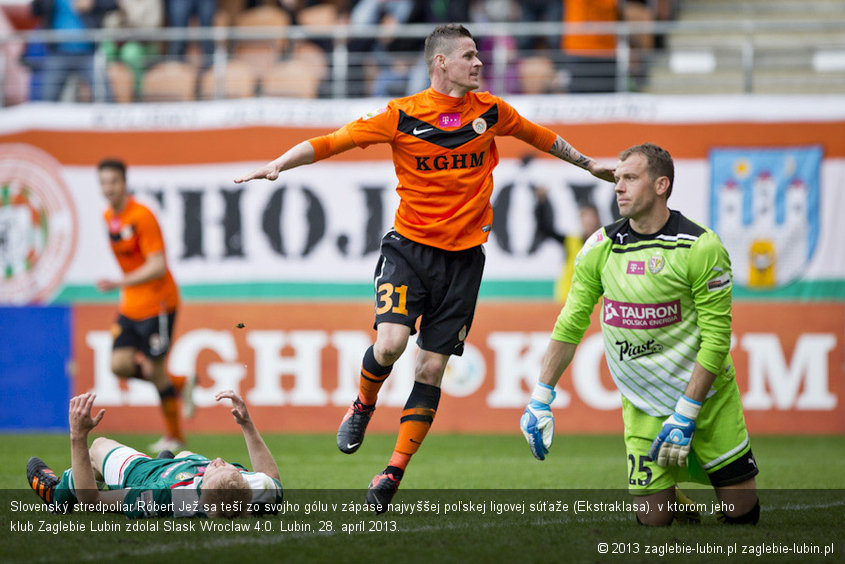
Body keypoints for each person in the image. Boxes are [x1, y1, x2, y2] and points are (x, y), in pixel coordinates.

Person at [235, 23, 615, 513]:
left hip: (464, 262)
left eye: (478, 56)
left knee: (431, 366)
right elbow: (332, 142)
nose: (479, 64)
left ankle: (392, 472)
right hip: (409, 251)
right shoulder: (401, 116)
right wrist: (278, 165)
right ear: (441, 63)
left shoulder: (492, 112)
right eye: (470, 56)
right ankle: (362, 406)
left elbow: (543, 139)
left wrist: (589, 165)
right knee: (390, 344)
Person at [520, 143, 760, 526]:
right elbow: (570, 324)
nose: (618, 188)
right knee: (653, 522)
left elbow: (717, 339)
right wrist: (540, 397)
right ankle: (673, 501)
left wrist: (687, 413)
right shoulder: (598, 248)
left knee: (740, 515)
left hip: (707, 401)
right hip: (643, 403)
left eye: (630, 178)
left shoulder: (700, 247)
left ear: (661, 184)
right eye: (617, 179)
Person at [26, 390, 282, 518]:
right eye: (231, 467)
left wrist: (77, 436)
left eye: (215, 468)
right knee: (188, 453)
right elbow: (271, 477)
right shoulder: (254, 491)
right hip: (176, 468)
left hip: (144, 475)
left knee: (98, 447)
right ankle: (168, 461)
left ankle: (58, 494)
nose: (218, 460)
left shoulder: (163, 496)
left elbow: (92, 501)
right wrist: (247, 424)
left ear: (200, 490)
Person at [95, 158, 189, 454]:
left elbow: (158, 266)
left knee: (155, 370)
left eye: (113, 182)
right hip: (131, 306)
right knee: (118, 365)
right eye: (104, 182)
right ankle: (182, 383)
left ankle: (174, 437)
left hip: (158, 304)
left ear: (125, 183)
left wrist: (119, 283)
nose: (108, 188)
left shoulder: (142, 216)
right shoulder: (109, 216)